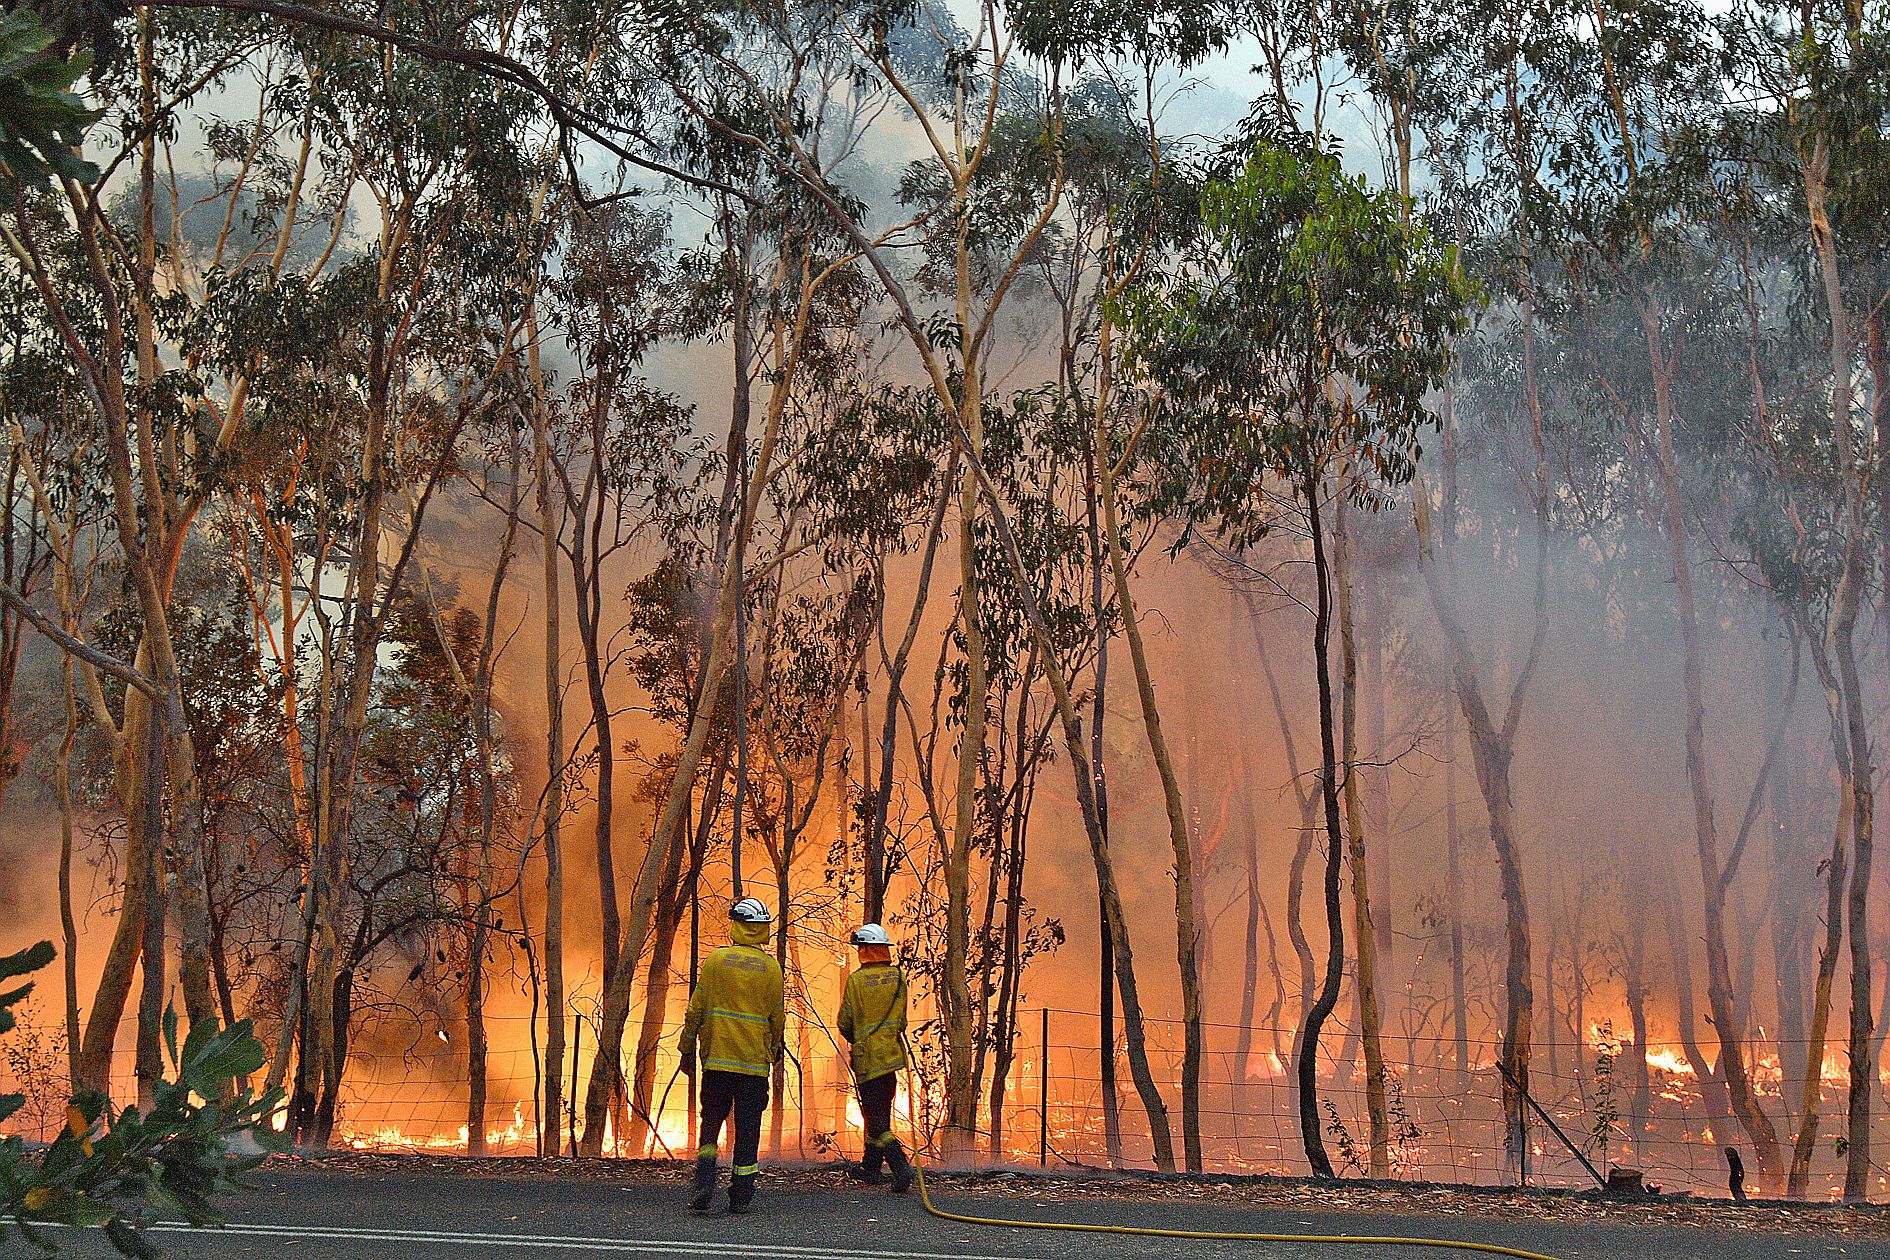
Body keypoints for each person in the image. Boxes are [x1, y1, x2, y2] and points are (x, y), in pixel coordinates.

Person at [680, 897, 785, 1214]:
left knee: (711, 1124)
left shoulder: (715, 962)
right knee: (748, 1129)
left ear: (736, 926)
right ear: (762, 930)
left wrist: (686, 1048)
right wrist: (774, 1049)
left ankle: (705, 1179)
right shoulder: (770, 969)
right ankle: (741, 1194)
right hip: (753, 1067)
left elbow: (695, 1010)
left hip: (718, 1063)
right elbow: (776, 1018)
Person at [836, 922, 913, 1192]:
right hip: (891, 1056)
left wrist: (856, 1038)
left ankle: (900, 1166)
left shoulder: (856, 980)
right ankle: (870, 1168)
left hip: (867, 1059)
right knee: (879, 1112)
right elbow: (902, 1020)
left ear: (866, 950)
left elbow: (845, 1021)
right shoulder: (898, 977)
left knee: (877, 1120)